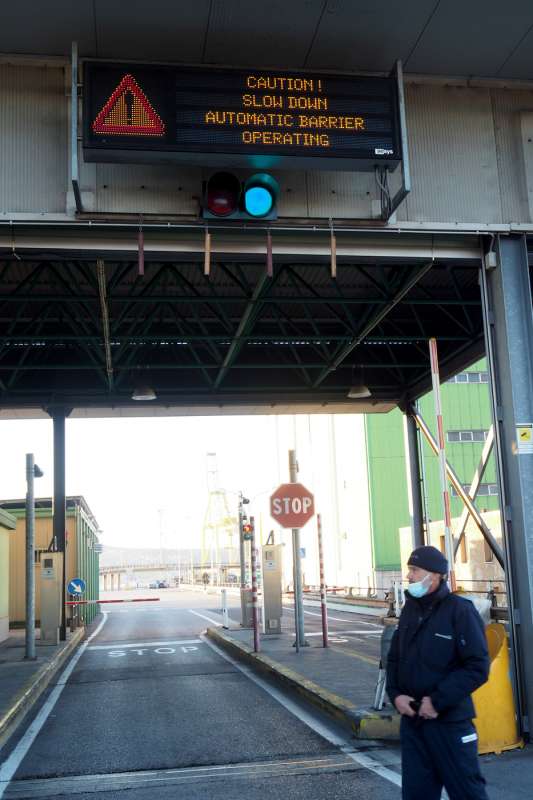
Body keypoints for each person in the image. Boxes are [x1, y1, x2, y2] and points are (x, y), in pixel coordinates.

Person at [386, 545, 490, 800]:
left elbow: (477, 667)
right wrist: (396, 694)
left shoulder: (460, 611)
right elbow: (395, 658)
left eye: (414, 569)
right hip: (414, 725)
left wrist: (437, 701)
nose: (408, 575)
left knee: (468, 793)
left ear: (434, 575)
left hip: (449, 725)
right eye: (409, 569)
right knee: (416, 795)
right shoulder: (410, 610)